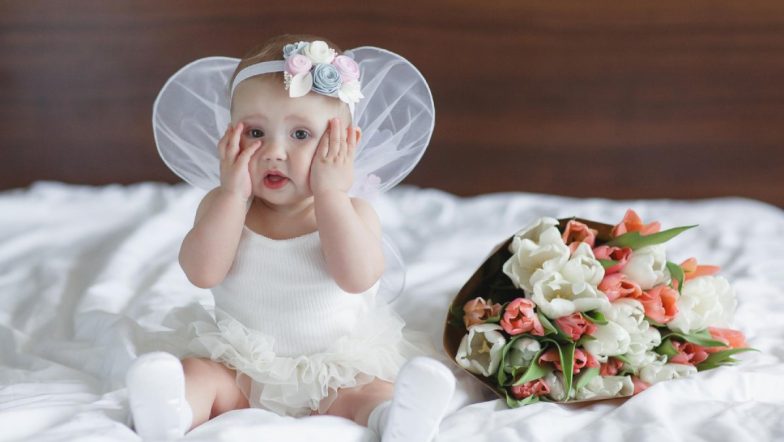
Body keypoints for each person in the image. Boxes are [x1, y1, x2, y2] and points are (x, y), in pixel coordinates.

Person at [126, 34, 456, 441]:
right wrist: (233, 195)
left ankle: (396, 419)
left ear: (345, 145)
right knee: (199, 373)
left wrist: (330, 195)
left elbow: (357, 277)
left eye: (300, 135)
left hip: (335, 369)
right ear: (229, 136)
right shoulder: (224, 206)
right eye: (255, 132)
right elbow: (202, 273)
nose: (274, 152)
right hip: (242, 367)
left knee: (367, 392)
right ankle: (171, 413)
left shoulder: (354, 213)